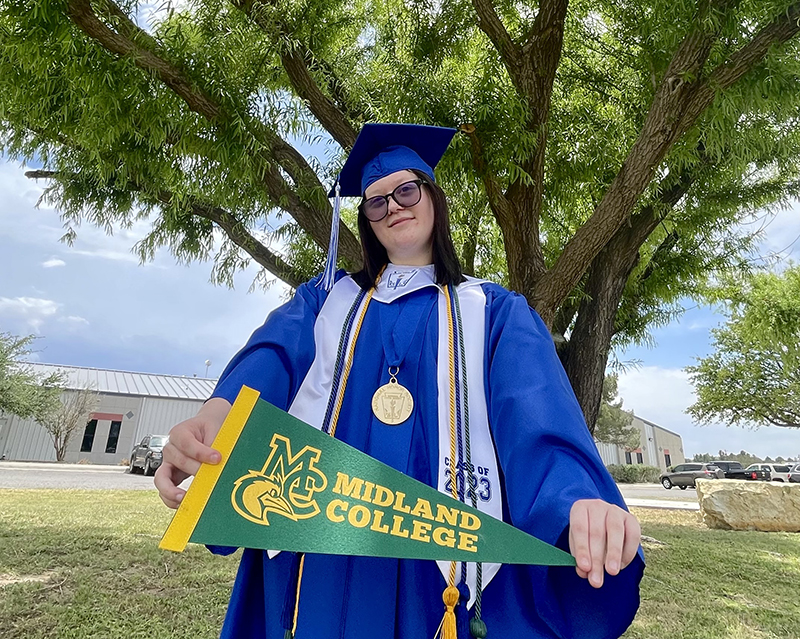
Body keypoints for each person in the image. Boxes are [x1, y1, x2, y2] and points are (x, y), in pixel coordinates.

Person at [155, 123, 644, 639]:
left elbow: (537, 412)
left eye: (406, 190)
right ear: (366, 221)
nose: (393, 207)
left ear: (433, 196)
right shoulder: (324, 304)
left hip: (436, 573)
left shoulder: (494, 312)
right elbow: (270, 359)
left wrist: (576, 500)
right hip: (318, 553)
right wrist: (215, 418)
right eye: (375, 202)